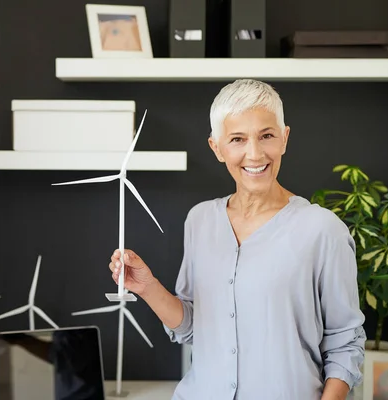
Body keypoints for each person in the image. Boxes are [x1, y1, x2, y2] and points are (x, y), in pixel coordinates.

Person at [107, 79, 366, 400]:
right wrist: (147, 287)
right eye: (237, 139)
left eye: (266, 136)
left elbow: (346, 344)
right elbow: (191, 327)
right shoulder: (200, 220)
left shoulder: (323, 230)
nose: (254, 153)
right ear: (217, 147)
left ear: (284, 138)